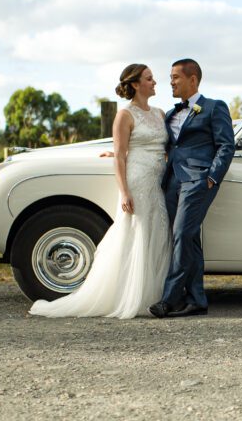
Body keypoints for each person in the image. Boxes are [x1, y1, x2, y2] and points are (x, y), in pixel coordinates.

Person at [30, 64, 171, 319]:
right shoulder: (125, 115)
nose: (155, 82)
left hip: (157, 180)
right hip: (137, 181)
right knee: (135, 234)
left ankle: (155, 294)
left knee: (157, 233)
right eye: (149, 79)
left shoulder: (160, 113)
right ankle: (129, 295)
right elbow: (119, 155)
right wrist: (124, 192)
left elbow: (164, 148)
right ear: (136, 84)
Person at [148, 58, 235, 318]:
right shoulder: (172, 113)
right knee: (190, 240)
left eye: (175, 77)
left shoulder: (213, 107)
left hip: (198, 180)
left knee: (182, 235)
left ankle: (169, 299)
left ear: (193, 79)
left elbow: (226, 145)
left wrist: (212, 177)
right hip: (172, 180)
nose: (171, 82)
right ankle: (197, 299)